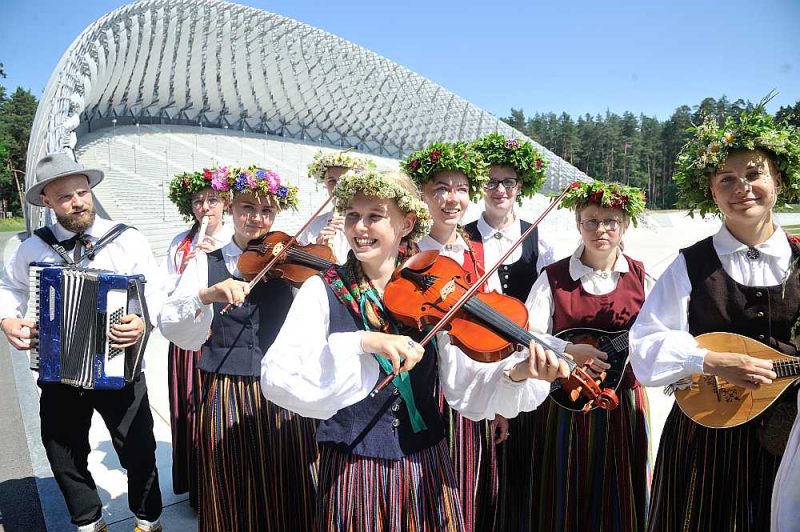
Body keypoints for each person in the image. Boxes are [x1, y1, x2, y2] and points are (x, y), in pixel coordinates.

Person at [260, 169, 570, 531]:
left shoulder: (433, 295)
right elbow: (279, 374)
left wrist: (520, 373)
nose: (360, 227)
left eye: (375, 216)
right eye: (353, 216)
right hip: (354, 465)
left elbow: (466, 383)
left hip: (426, 463)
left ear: (406, 224)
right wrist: (362, 342)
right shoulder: (322, 290)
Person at [630, 101, 800, 531]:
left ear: (777, 180)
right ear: (713, 193)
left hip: (793, 433)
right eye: (727, 179)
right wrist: (709, 360)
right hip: (707, 437)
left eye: (754, 174)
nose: (742, 187)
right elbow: (646, 342)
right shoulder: (690, 264)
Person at [0, 152, 163, 532]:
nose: (78, 202)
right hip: (59, 366)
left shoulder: (126, 239)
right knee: (62, 450)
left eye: (83, 192)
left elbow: (154, 289)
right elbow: (10, 286)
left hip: (118, 364)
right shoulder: (32, 248)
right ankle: (89, 521)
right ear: (47, 202)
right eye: (65, 197)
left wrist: (142, 321)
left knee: (138, 449)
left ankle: (148, 518)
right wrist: (8, 318)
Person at [158, 165, 317, 531]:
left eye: (266, 211)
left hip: (281, 385)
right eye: (247, 207)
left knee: (285, 474)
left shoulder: (288, 260)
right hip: (227, 386)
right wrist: (207, 294)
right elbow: (172, 323)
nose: (256, 219)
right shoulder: (207, 262)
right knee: (231, 477)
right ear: (230, 208)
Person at [525, 180, 651, 531]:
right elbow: (528, 333)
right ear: (579, 224)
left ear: (625, 225)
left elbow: (660, 332)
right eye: (591, 221)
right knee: (565, 484)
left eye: (611, 221)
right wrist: (567, 350)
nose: (601, 229)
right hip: (567, 400)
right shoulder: (554, 277)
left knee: (622, 483)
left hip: (623, 397)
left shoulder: (641, 276)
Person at [465, 133, 564, 529]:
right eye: (491, 181)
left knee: (524, 469)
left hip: (527, 365)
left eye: (508, 182)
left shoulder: (541, 241)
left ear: (519, 187)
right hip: (477, 362)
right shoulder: (463, 238)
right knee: (480, 474)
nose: (500, 189)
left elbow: (548, 313)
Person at [402, 141, 502, 530]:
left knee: (468, 478)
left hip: (470, 379)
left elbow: (491, 318)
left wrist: (495, 400)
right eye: (441, 188)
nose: (452, 198)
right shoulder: (406, 251)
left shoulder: (475, 250)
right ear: (423, 195)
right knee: (427, 486)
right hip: (424, 381)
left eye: (460, 188)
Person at [161, 167, 232, 507]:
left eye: (213, 200)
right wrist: (187, 269)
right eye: (198, 201)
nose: (206, 207)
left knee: (212, 411)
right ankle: (195, 487)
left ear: (225, 204)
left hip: (217, 334)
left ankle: (218, 486)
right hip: (187, 335)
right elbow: (166, 290)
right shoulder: (180, 241)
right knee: (185, 411)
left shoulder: (232, 240)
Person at [298, 150, 375, 264]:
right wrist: (317, 252)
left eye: (344, 180)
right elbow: (300, 270)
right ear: (325, 183)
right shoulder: (313, 225)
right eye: (332, 181)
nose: (338, 187)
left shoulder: (371, 224)